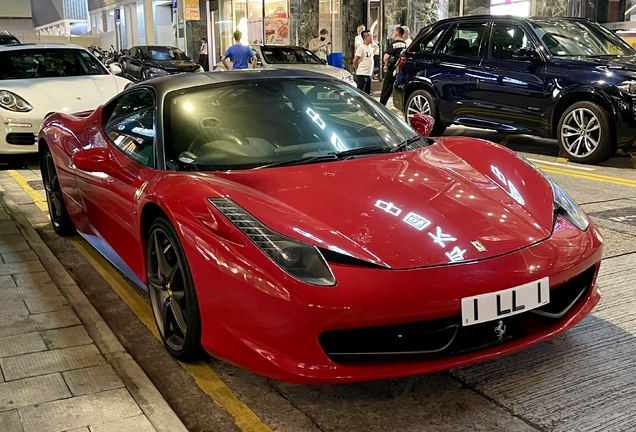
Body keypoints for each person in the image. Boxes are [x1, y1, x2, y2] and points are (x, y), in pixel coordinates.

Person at [379, 27, 407, 105]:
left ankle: (382, 105)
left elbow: (386, 57)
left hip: (392, 70)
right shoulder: (405, 45)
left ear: (396, 34)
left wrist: (386, 65)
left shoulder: (393, 44)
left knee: (386, 89)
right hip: (401, 70)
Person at [353, 30, 374, 94]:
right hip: (362, 74)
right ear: (366, 38)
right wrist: (357, 68)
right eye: (371, 37)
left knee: (367, 93)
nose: (372, 38)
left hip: (368, 73)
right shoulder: (361, 48)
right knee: (361, 92)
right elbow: (355, 60)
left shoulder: (369, 47)